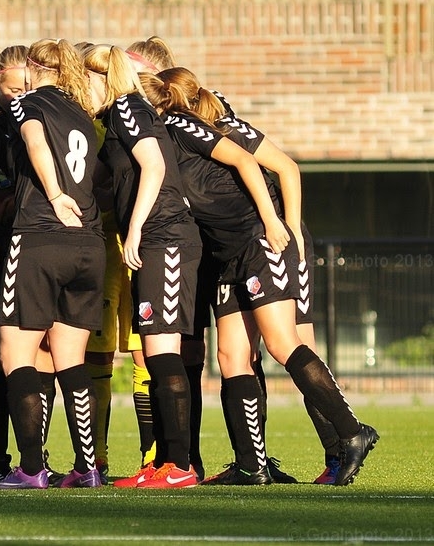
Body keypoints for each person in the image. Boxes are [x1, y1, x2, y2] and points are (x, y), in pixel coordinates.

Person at [144, 67, 379, 486]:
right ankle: (252, 466)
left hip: (257, 242)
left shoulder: (182, 123)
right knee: (232, 356)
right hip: (225, 253)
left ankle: (352, 433)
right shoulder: (169, 129)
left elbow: (260, 164)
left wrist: (279, 225)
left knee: (283, 343)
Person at [0, 38, 105, 490]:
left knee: (16, 355)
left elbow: (35, 140)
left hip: (39, 237)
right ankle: (87, 467)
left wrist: (53, 195)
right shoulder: (80, 112)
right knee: (70, 358)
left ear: (34, 68)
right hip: (88, 242)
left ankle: (32, 468)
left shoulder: (28, 102)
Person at [83, 44, 202, 489]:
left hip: (165, 237)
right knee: (154, 353)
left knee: (163, 353)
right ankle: (161, 465)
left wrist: (133, 231)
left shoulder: (127, 106)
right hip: (154, 239)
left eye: (84, 81)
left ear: (101, 78)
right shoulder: (112, 116)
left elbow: (152, 165)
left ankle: (181, 466)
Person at [0, 45, 62, 485]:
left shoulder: (39, 113)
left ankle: (36, 454)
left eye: (26, 88)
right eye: (13, 89)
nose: (20, 96)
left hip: (36, 246)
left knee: (44, 350)